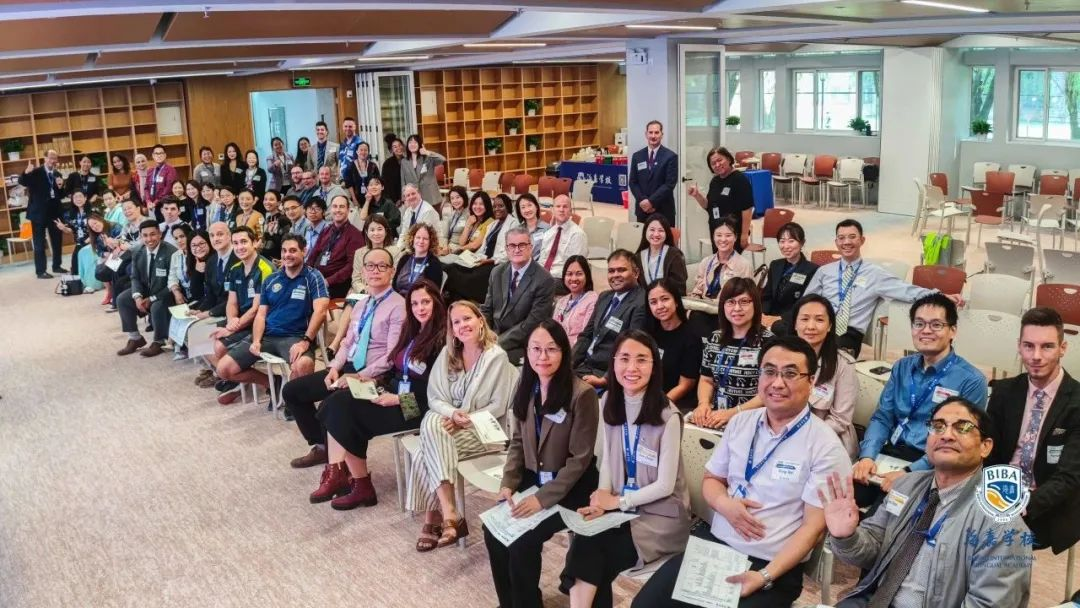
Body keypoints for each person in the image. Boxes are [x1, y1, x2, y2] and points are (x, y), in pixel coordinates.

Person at [634, 335, 852, 608]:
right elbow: (712, 479)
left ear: (811, 381)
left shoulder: (825, 446)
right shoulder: (741, 423)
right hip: (716, 548)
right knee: (645, 604)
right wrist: (725, 505)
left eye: (790, 374)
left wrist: (764, 576)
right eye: (769, 372)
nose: (777, 383)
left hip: (771, 565)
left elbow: (813, 528)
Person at [824, 397, 1032, 608]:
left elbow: (989, 603)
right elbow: (873, 549)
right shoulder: (906, 486)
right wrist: (846, 536)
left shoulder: (1002, 525)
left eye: (962, 427)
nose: (947, 435)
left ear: (985, 447)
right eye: (938, 426)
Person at [561, 329, 690, 608]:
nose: (632, 368)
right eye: (624, 358)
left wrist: (617, 502)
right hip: (622, 507)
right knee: (585, 539)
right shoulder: (609, 400)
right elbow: (609, 458)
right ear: (613, 362)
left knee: (595, 554)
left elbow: (665, 486)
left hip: (659, 516)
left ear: (654, 366)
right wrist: (602, 499)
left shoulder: (667, 415)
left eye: (642, 359)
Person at [484, 321, 600, 605]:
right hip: (532, 477)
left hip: (571, 486)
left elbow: (580, 459)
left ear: (564, 352)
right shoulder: (525, 386)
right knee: (493, 532)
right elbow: (517, 442)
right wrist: (508, 484)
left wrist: (541, 499)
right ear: (527, 351)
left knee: (523, 540)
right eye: (536, 349)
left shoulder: (581, 394)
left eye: (551, 349)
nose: (543, 357)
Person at [316, 279, 447, 510]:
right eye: (415, 304)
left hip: (417, 407)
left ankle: (359, 484)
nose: (420, 308)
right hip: (393, 393)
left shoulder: (443, 340)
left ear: (436, 302)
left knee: (345, 413)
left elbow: (441, 395)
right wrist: (373, 381)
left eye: (426, 302)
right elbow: (397, 369)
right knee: (336, 400)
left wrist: (398, 399)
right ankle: (354, 480)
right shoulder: (412, 330)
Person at [853, 293, 988, 508]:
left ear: (952, 331)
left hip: (932, 464)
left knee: (885, 514)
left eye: (936, 325)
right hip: (890, 453)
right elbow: (882, 417)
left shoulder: (971, 380)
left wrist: (909, 472)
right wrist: (867, 456)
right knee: (840, 500)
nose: (926, 331)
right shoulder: (902, 367)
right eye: (919, 324)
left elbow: (960, 441)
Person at [283, 246, 406, 470]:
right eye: (370, 266)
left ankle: (343, 465)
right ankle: (323, 447)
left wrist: (357, 376)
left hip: (374, 373)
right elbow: (348, 343)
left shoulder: (398, 306)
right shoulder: (361, 304)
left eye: (382, 266)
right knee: (293, 391)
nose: (375, 271)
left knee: (332, 406)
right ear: (363, 271)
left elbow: (391, 356)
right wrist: (333, 367)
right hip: (347, 365)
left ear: (392, 271)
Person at [405, 300, 516, 548]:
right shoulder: (448, 352)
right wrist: (453, 414)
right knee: (432, 422)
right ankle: (450, 514)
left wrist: (465, 419)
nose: (462, 325)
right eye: (456, 322)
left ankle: (436, 517)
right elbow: (435, 397)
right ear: (452, 329)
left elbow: (498, 405)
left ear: (480, 321)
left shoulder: (496, 356)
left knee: (426, 448)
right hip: (446, 423)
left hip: (484, 430)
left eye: (467, 318)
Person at [986, 307, 1080, 553]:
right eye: (1029, 346)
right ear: (1019, 346)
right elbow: (989, 455)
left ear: (1063, 348)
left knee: (996, 547)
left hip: (1047, 504)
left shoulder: (1077, 402)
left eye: (1047, 346)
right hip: (1000, 490)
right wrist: (998, 495)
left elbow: (1069, 476)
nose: (1036, 356)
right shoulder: (1004, 392)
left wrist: (1020, 505)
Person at [805, 219, 962, 357]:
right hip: (819, 325)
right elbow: (806, 301)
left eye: (852, 237)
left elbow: (905, 290)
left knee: (828, 359)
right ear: (836, 242)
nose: (846, 242)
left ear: (862, 240)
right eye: (841, 238)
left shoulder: (875, 274)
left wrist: (940, 296)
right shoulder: (824, 271)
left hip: (847, 332)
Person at [217, 234, 329, 406]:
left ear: (304, 251)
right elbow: (261, 315)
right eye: (284, 251)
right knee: (224, 369)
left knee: (303, 365)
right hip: (267, 336)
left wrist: (306, 341)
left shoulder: (313, 277)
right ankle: (273, 383)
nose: (287, 255)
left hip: (295, 337)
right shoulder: (271, 280)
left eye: (293, 250)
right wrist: (256, 340)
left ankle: (293, 401)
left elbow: (320, 311)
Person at [691, 278, 773, 429]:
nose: (737, 308)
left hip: (753, 420)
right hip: (717, 417)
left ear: (755, 305)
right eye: (730, 302)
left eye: (744, 301)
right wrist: (703, 404)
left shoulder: (769, 343)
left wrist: (734, 413)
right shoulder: (714, 338)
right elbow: (706, 380)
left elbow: (769, 391)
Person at [209, 227, 276, 404]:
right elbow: (231, 302)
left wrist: (232, 328)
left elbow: (257, 309)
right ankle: (238, 382)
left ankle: (271, 383)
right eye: (236, 243)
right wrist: (231, 321)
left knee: (221, 354)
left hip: (263, 324)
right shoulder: (235, 269)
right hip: (242, 321)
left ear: (255, 243)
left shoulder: (265, 269)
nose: (239, 247)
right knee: (213, 344)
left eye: (244, 242)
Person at [571, 250, 648, 389]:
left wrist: (605, 380)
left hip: (608, 375)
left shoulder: (642, 302)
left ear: (636, 273)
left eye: (621, 270)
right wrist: (567, 363)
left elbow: (632, 349)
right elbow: (586, 335)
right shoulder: (604, 297)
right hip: (585, 366)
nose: (615, 275)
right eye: (611, 271)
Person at [327, 214, 401, 354]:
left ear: (386, 231)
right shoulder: (360, 253)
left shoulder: (395, 252)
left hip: (384, 292)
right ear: (366, 232)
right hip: (362, 292)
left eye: (379, 229)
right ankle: (336, 344)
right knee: (352, 303)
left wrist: (376, 289)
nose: (376, 233)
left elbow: (394, 277)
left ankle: (351, 346)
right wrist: (363, 289)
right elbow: (355, 278)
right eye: (372, 230)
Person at [480, 226, 554, 363]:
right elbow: (487, 309)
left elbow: (531, 324)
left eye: (522, 245)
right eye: (512, 245)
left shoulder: (544, 280)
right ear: (506, 249)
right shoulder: (497, 272)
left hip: (520, 344)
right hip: (492, 336)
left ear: (530, 247)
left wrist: (495, 344)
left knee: (489, 361)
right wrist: (483, 335)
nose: (517, 249)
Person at [116, 220, 177, 358]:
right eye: (145, 235)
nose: (149, 239)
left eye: (153, 234)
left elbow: (173, 283)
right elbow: (135, 277)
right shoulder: (137, 251)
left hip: (165, 293)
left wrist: (152, 298)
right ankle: (135, 338)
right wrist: (137, 296)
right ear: (141, 236)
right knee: (122, 299)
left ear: (160, 234)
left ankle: (159, 341)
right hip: (146, 290)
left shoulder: (172, 252)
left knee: (157, 306)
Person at [190, 222, 239, 388]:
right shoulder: (212, 261)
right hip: (219, 309)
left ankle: (230, 377)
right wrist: (200, 310)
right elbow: (210, 294)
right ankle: (220, 372)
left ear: (229, 235)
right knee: (191, 325)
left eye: (220, 234)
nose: (216, 238)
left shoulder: (238, 258)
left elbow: (236, 298)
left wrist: (209, 313)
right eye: (212, 235)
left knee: (199, 332)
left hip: (236, 311)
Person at [645, 278, 703, 410]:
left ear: (676, 301)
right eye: (653, 302)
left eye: (665, 299)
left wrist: (659, 405)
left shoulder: (691, 336)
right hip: (649, 397)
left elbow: (686, 385)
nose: (660, 306)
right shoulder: (648, 332)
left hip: (677, 403)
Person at [687, 146, 754, 253]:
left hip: (732, 232)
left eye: (720, 160)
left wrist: (744, 235)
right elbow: (708, 205)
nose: (717, 165)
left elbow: (747, 209)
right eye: (713, 163)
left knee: (730, 261)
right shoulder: (715, 181)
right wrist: (697, 195)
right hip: (716, 231)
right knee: (718, 260)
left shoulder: (739, 179)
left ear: (728, 159)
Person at [761, 222, 818, 332]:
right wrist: (764, 315)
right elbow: (767, 296)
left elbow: (806, 304)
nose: (786, 246)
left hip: (792, 321)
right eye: (782, 241)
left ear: (802, 243)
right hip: (769, 317)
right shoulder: (775, 265)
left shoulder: (812, 270)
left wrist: (780, 318)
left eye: (791, 241)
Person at [18, 150, 66, 278]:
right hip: (38, 213)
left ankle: (57, 266)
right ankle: (41, 271)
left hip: (54, 212)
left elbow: (61, 195)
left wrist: (61, 186)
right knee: (39, 242)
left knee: (57, 240)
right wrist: (26, 172)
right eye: (50, 158)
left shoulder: (57, 174)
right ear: (45, 158)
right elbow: (22, 181)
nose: (52, 161)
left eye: (55, 158)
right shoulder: (36, 172)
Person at [688, 216, 753, 304]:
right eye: (719, 235)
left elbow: (746, 297)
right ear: (713, 237)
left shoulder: (744, 265)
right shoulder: (706, 262)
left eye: (728, 235)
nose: (723, 239)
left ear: (735, 237)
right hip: (704, 307)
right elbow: (697, 291)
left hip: (729, 308)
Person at [310, 195, 365, 298]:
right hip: (317, 280)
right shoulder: (326, 230)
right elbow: (313, 255)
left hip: (336, 286)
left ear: (348, 210)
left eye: (341, 207)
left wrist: (327, 281)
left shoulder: (355, 235)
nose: (338, 210)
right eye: (335, 206)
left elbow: (351, 266)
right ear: (330, 209)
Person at [168, 227, 210, 359]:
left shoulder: (212, 259)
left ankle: (206, 362)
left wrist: (205, 311)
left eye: (182, 236)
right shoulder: (185, 258)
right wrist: (197, 272)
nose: (179, 241)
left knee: (195, 319)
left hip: (212, 301)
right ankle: (179, 346)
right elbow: (195, 291)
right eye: (176, 238)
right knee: (180, 312)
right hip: (195, 295)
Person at [628, 120, 679, 225]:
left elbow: (669, 184)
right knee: (643, 236)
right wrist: (643, 201)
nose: (653, 136)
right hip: (643, 210)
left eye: (656, 132)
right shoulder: (637, 156)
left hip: (663, 210)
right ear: (646, 134)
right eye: (650, 132)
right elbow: (633, 182)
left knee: (665, 236)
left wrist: (651, 202)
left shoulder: (670, 156)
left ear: (662, 134)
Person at [536, 195, 588, 283]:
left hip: (562, 278)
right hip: (543, 275)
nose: (561, 210)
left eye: (565, 207)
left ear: (570, 211)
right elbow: (542, 259)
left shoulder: (577, 234)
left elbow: (576, 267)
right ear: (552, 210)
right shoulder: (549, 233)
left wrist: (548, 277)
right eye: (558, 206)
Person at [553, 255, 598, 348]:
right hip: (557, 349)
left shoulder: (593, 300)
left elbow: (586, 336)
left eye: (579, 274)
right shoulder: (561, 301)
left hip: (577, 351)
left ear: (587, 276)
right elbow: (553, 330)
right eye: (569, 274)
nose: (573, 278)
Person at [636, 213, 687, 294]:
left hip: (667, 299)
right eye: (652, 230)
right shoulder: (638, 257)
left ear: (666, 233)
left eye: (661, 230)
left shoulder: (675, 255)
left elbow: (680, 287)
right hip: (643, 300)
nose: (656, 234)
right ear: (645, 231)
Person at [393, 222, 443, 295]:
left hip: (419, 300)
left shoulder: (434, 263)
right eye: (418, 237)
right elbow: (394, 285)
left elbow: (433, 292)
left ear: (431, 242)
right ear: (412, 239)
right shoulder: (405, 258)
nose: (421, 241)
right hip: (399, 298)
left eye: (425, 239)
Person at [399, 134, 444, 211]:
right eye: (410, 142)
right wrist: (404, 198)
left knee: (434, 217)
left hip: (431, 195)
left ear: (419, 144)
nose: (412, 144)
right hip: (414, 198)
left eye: (415, 142)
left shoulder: (427, 158)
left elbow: (442, 159)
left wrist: (427, 152)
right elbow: (403, 181)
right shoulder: (404, 161)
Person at [78, 213, 118, 295]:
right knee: (100, 266)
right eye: (92, 227)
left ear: (100, 219)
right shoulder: (97, 235)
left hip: (120, 254)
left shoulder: (115, 227)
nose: (95, 227)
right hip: (110, 256)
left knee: (108, 269)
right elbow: (99, 251)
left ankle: (114, 292)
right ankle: (109, 291)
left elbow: (122, 243)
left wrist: (111, 246)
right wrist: (105, 254)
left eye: (95, 223)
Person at [54, 190, 91, 277]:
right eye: (75, 197)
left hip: (91, 242)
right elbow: (71, 230)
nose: (78, 199)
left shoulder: (92, 212)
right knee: (75, 268)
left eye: (80, 196)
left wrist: (87, 241)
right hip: (79, 243)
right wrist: (63, 228)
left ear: (85, 198)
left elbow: (98, 229)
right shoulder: (71, 214)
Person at [354, 176, 400, 240]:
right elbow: (363, 217)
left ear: (382, 187)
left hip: (387, 237)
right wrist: (367, 201)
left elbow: (396, 221)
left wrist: (379, 225)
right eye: (371, 185)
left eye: (376, 184)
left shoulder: (388, 203)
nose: (374, 187)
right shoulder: (368, 203)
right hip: (372, 237)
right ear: (367, 188)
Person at [397, 183, 440, 248]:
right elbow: (404, 233)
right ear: (405, 198)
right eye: (408, 195)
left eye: (413, 193)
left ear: (419, 194)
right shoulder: (408, 211)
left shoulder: (428, 211)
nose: (411, 197)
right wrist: (399, 248)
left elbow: (425, 237)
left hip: (428, 246)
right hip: (413, 245)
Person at [143, 144, 179, 217]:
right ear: (153, 156)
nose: (159, 155)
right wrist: (148, 201)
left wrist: (156, 202)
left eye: (161, 153)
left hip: (165, 205)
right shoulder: (150, 171)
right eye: (156, 153)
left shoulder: (170, 170)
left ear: (165, 155)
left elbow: (168, 189)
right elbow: (146, 188)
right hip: (151, 206)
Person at [259, 190, 291, 261]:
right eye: (265, 199)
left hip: (276, 260)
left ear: (278, 203)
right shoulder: (268, 218)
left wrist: (272, 234)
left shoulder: (283, 220)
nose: (267, 202)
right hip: (265, 257)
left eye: (271, 199)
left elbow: (285, 242)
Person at [439, 186, 470, 253]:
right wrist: (445, 246)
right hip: (449, 246)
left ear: (464, 197)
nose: (455, 201)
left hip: (459, 248)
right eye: (452, 198)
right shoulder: (452, 214)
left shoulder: (469, 214)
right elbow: (445, 235)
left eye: (458, 197)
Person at [302, 198, 328, 265]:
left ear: (324, 212)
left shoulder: (328, 229)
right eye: (310, 208)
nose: (313, 212)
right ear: (305, 211)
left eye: (317, 209)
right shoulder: (306, 229)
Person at [381, 135, 404, 204]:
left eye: (399, 145)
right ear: (391, 150)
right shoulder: (387, 164)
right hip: (393, 199)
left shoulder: (407, 161)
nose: (398, 148)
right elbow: (387, 185)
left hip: (407, 196)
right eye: (395, 147)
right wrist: (396, 199)